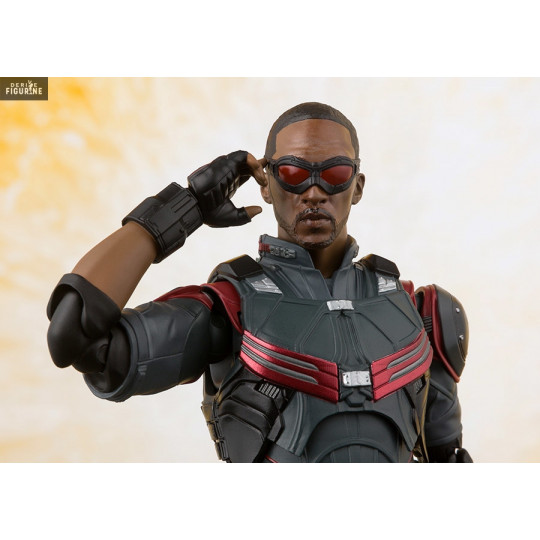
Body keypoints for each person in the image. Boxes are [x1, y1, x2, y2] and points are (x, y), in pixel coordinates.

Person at [47, 102, 472, 463]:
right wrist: (184, 208)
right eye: (292, 172)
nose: (314, 192)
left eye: (335, 173)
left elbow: (447, 460)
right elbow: (77, 336)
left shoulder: (421, 313)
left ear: (357, 186)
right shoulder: (231, 307)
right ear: (266, 184)